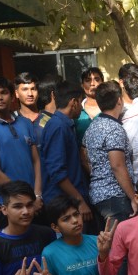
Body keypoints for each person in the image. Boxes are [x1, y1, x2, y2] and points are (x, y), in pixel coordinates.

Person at [0, 77, 42, 208]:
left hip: (34, 200)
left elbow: (36, 161)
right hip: (9, 203)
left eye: (4, 93)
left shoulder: (25, 123)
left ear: (12, 97)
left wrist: (37, 195)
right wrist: (25, 199)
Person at [83, 80, 137, 223]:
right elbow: (117, 165)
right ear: (119, 100)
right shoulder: (114, 129)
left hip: (97, 194)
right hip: (115, 196)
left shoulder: (93, 126)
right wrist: (133, 197)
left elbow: (83, 154)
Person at [41, 80, 92, 227]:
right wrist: (80, 202)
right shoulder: (58, 126)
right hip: (63, 204)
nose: (81, 107)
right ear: (74, 102)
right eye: (81, 102)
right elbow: (57, 171)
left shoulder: (65, 124)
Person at [75, 67, 104, 144]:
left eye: (97, 79)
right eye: (88, 80)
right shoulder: (75, 110)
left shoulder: (110, 108)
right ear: (82, 85)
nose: (92, 84)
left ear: (102, 83)